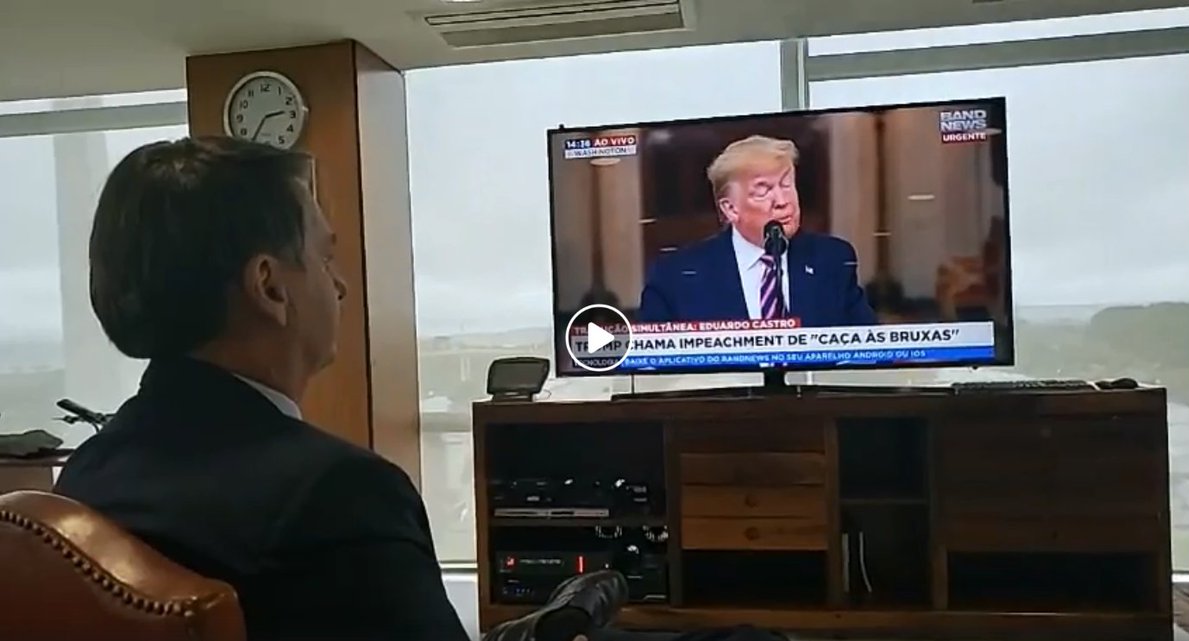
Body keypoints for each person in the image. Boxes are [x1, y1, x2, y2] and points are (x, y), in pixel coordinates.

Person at [52, 136, 783, 641]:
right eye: (325, 257)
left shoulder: (84, 482)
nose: (340, 286)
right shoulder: (336, 492)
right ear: (270, 287)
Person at [638, 135, 876, 326]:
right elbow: (654, 365)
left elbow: (868, 351)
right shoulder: (676, 276)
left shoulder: (831, 261)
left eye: (786, 184)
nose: (782, 201)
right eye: (763, 191)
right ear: (731, 209)